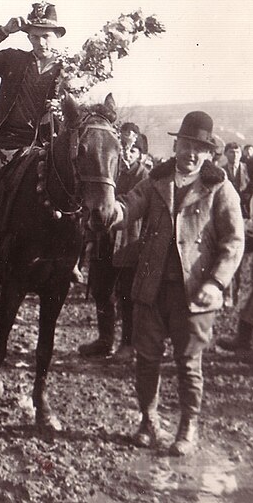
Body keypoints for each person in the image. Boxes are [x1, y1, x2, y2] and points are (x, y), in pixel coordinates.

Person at [111, 111, 244, 456]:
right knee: (146, 359)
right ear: (175, 144)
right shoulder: (157, 180)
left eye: (200, 148)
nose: (192, 154)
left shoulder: (219, 187)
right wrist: (112, 211)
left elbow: (234, 242)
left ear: (210, 153)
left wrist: (216, 282)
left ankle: (188, 428)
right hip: (152, 289)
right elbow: (130, 206)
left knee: (189, 364)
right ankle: (148, 420)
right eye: (186, 145)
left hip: (195, 293)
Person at [0, 1, 66, 273]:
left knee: (68, 188)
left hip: (45, 147)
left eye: (46, 35)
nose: (41, 42)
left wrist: (62, 111)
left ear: (56, 35)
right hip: (5, 144)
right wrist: (3, 31)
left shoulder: (68, 70)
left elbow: (78, 112)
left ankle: (66, 255)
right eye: (34, 35)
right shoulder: (13, 59)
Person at [78, 125, 150, 358]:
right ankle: (105, 339)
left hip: (129, 242)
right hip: (103, 239)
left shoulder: (143, 176)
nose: (128, 154)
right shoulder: (111, 172)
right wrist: (90, 238)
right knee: (101, 290)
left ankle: (127, 344)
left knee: (127, 295)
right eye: (125, 150)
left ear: (140, 154)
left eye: (133, 150)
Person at [222, 141, 251, 216]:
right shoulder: (221, 171)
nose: (235, 155)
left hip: (246, 209)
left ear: (241, 154)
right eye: (231, 152)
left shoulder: (249, 169)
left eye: (237, 152)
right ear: (225, 153)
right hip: (226, 209)